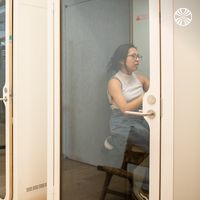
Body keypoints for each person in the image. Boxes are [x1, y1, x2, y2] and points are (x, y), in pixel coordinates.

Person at [106, 43, 149, 200]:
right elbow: (124, 108)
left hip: (141, 120)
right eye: (133, 56)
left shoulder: (140, 78)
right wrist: (145, 96)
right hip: (123, 123)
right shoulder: (114, 82)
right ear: (121, 61)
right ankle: (142, 185)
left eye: (138, 56)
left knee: (162, 142)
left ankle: (141, 177)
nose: (137, 59)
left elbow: (156, 92)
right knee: (157, 143)